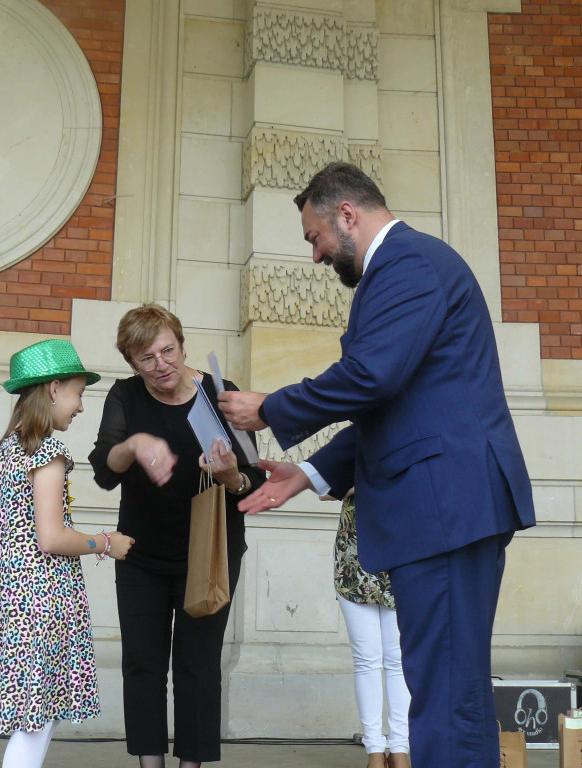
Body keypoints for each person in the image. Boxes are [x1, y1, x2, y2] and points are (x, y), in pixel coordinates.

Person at [217, 161, 536, 768]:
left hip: (444, 506)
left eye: (314, 238)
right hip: (446, 505)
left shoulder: (407, 264)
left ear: (347, 215)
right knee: (446, 689)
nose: (315, 257)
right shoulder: (409, 267)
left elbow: (371, 377)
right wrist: (308, 472)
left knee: (442, 695)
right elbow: (394, 403)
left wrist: (271, 409)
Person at [87, 304, 266, 768]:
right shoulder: (126, 396)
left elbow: (255, 481)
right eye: (146, 358)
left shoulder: (220, 395)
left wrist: (231, 476)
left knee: (198, 667)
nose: (161, 364)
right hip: (142, 554)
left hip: (209, 554)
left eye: (168, 351)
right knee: (143, 665)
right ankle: (151, 764)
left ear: (183, 346)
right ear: (131, 364)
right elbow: (105, 471)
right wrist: (134, 445)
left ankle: (192, 764)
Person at [0, 339, 134, 768]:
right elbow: (51, 537)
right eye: (78, 393)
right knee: (37, 719)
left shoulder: (9, 449)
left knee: (31, 713)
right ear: (53, 389)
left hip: (10, 591)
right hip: (41, 595)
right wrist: (107, 542)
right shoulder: (47, 452)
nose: (81, 407)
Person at [334, 495, 410, 768]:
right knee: (366, 659)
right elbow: (325, 488)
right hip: (355, 557)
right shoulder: (352, 449)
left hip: (403, 556)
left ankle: (400, 748)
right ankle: (375, 751)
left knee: (398, 659)